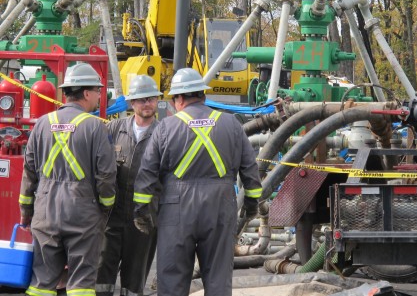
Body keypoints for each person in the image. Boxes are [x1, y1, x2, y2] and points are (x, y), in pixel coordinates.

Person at [133, 68, 262, 296]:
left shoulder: (165, 127)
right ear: (203, 94)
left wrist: (142, 212)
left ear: (179, 98)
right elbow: (250, 170)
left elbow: (147, 173)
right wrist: (252, 206)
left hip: (176, 208)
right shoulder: (231, 124)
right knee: (218, 278)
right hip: (220, 206)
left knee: (172, 279)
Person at [19, 62, 117, 296]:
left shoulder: (42, 124)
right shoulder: (95, 127)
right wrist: (106, 206)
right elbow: (106, 174)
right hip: (82, 214)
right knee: (81, 284)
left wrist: (26, 208)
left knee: (41, 283)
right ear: (85, 93)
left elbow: (29, 171)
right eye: (97, 91)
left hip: (45, 211)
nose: (98, 96)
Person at [96, 75, 163, 296]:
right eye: (142, 99)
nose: (147, 104)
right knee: (101, 277)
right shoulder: (114, 129)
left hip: (145, 220)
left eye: (151, 99)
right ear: (132, 103)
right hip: (112, 218)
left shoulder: (164, 134)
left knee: (134, 282)